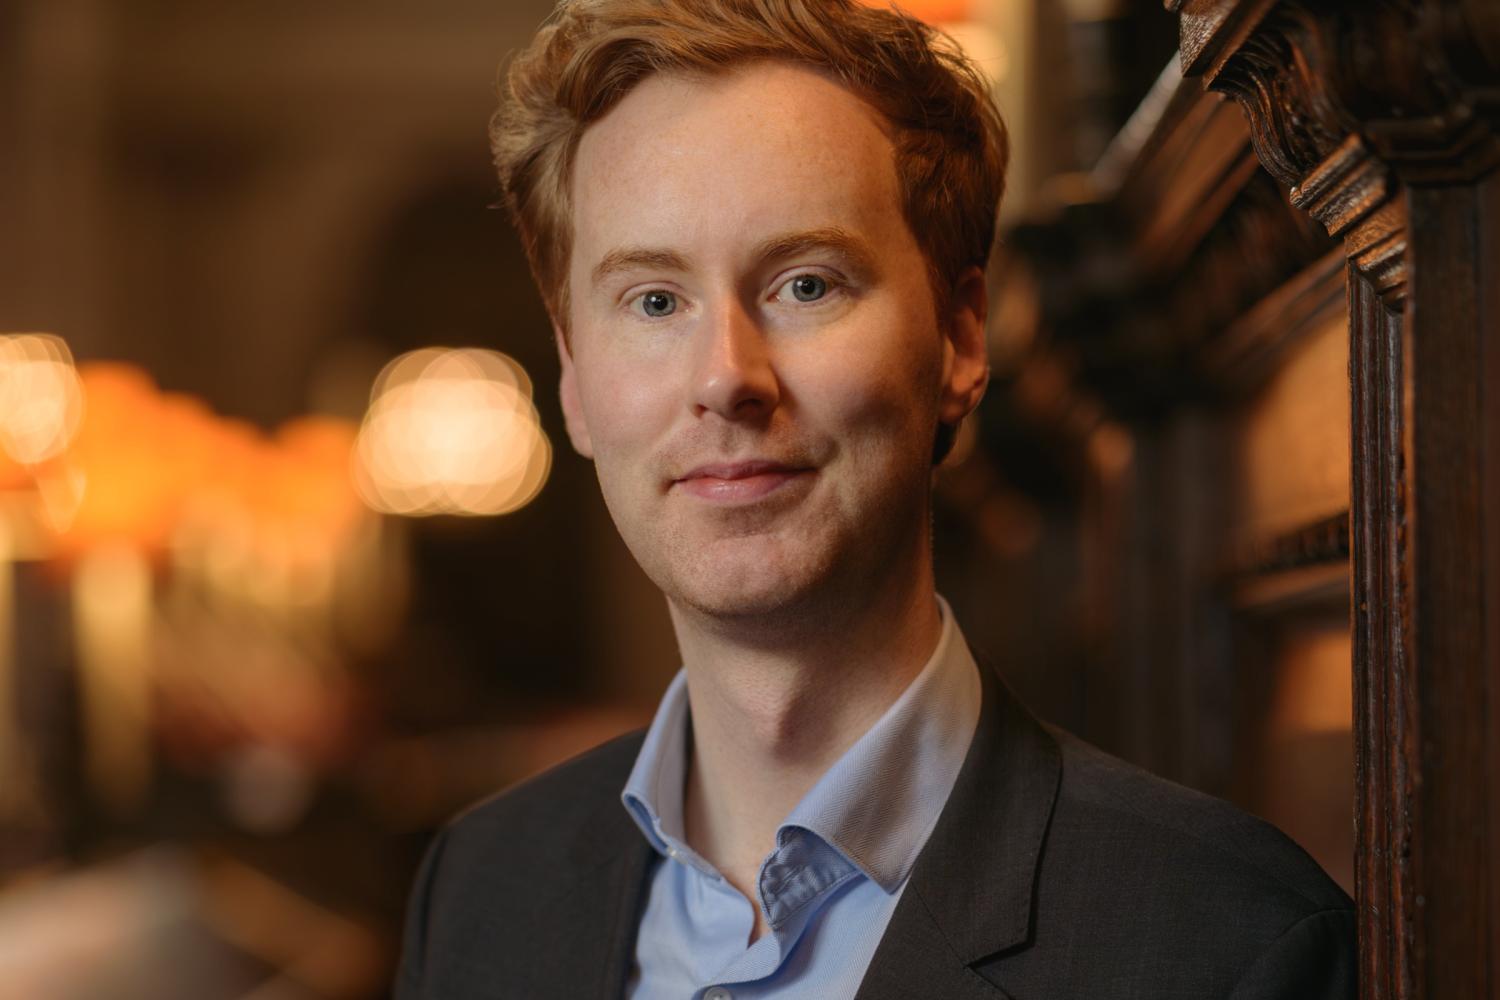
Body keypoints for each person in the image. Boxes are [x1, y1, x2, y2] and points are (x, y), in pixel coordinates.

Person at [395, 1, 1356, 997]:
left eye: (806, 284)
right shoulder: (477, 890)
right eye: (655, 300)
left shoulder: (1228, 945)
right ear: (573, 380)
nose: (725, 377)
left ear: (961, 339)